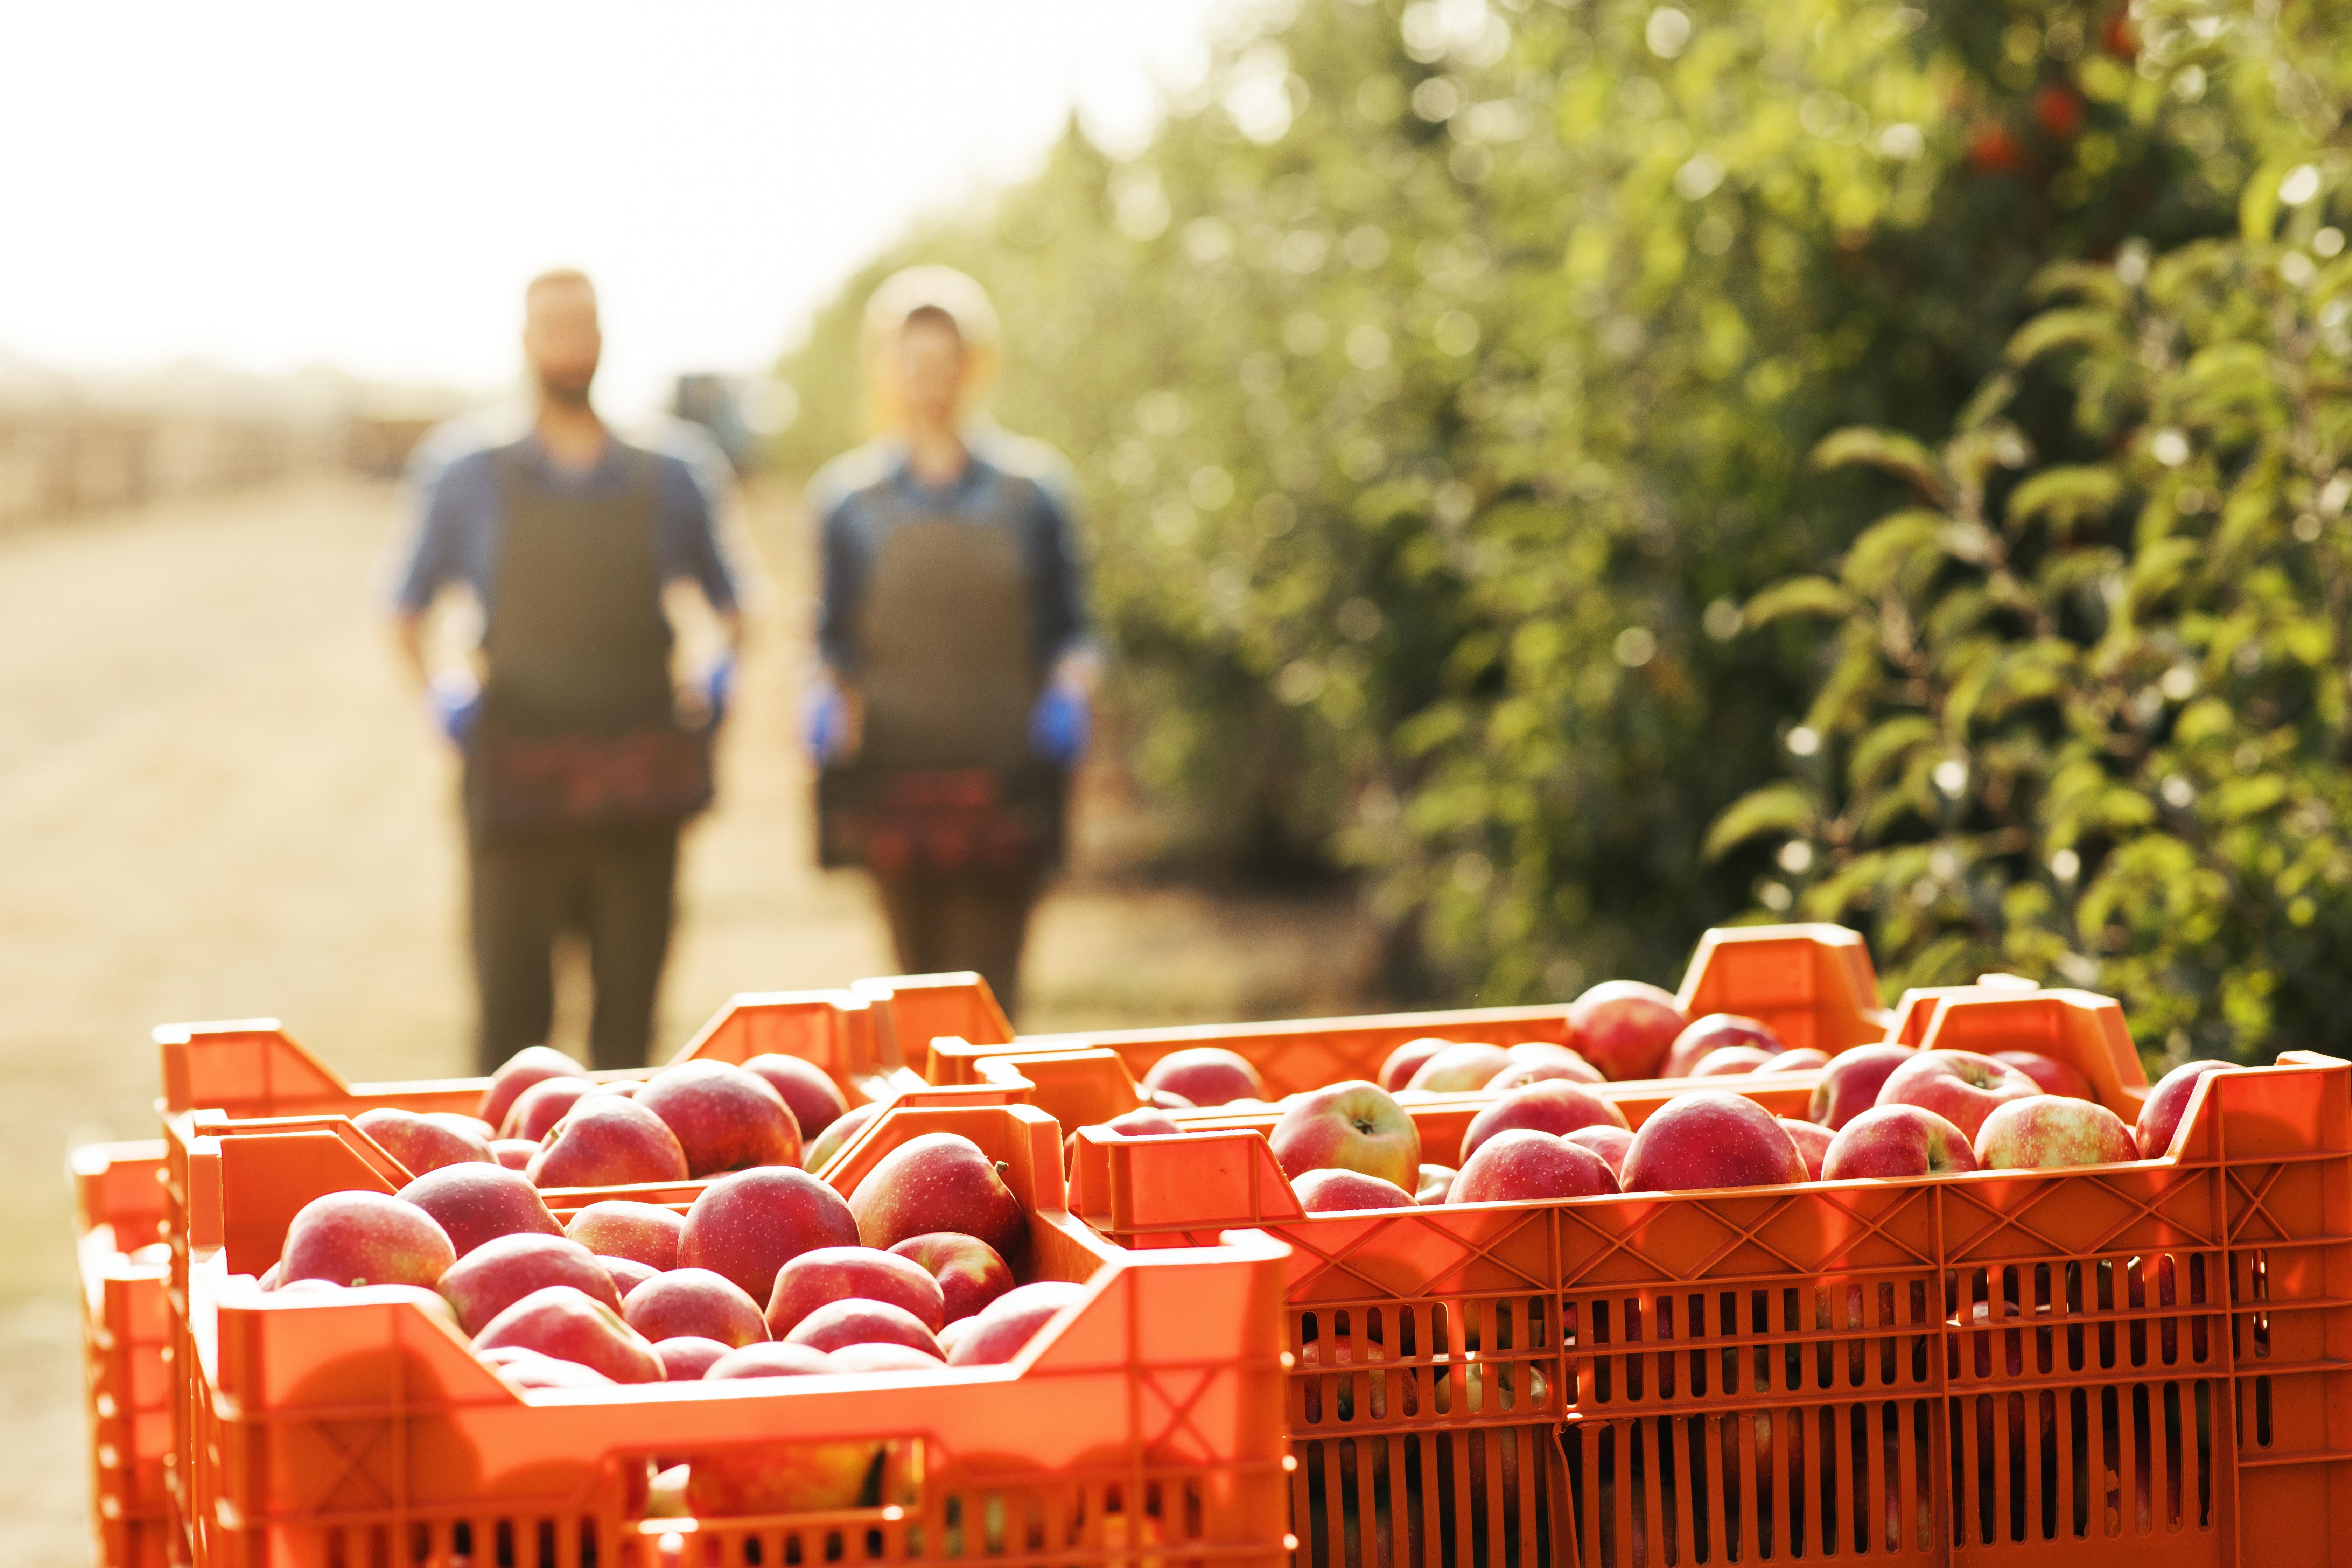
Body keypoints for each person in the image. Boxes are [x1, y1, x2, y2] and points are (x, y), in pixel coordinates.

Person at [392, 270, 741, 1073]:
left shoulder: (673, 471)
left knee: (631, 1035)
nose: (568, 343)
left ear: (604, 341)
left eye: (582, 326)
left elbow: (732, 605)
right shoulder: (466, 471)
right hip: (516, 786)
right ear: (526, 342)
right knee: (512, 1038)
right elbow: (405, 607)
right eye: (552, 327)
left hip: (639, 785)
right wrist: (437, 687)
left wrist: (723, 673)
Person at [806, 267, 1095, 1020]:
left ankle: (985, 1135)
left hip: (1006, 768)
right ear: (887, 370)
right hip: (898, 771)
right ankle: (931, 1136)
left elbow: (1072, 631)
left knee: (988, 991)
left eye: (947, 363)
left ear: (975, 367)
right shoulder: (849, 502)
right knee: (914, 983)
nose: (930, 383)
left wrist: (1071, 692)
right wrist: (824, 700)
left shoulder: (1033, 494)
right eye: (913, 363)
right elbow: (832, 640)